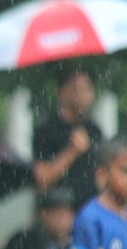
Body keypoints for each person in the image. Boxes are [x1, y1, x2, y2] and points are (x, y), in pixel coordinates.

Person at [32, 68, 104, 212]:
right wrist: (72, 151)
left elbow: (101, 175)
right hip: (59, 213)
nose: (83, 95)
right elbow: (42, 180)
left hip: (89, 210)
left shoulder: (94, 130)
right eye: (76, 89)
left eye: (87, 88)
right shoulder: (46, 131)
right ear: (61, 92)